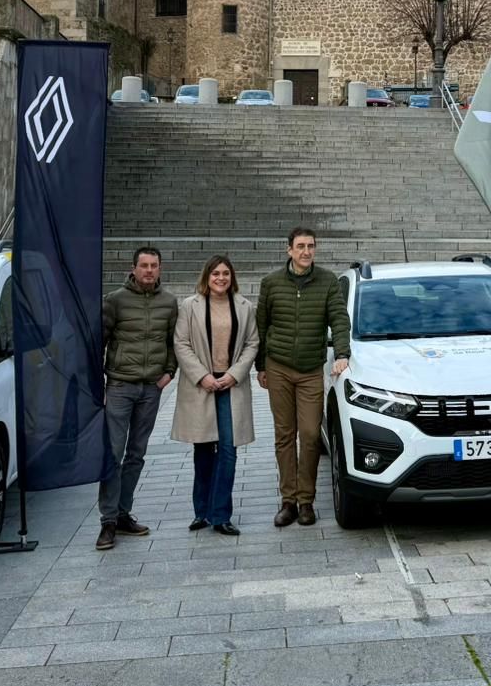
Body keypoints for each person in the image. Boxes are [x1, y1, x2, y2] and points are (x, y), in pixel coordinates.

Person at [255, 227, 351, 527]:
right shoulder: (271, 283)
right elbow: (262, 324)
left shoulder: (327, 281)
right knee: (285, 435)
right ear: (289, 250)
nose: (306, 251)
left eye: (310, 246)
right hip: (279, 367)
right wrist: (261, 366)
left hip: (310, 369)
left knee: (310, 435)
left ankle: (306, 500)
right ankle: (289, 501)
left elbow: (339, 317)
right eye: (300, 246)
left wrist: (343, 354)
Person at [96, 246, 177, 550]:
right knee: (113, 455)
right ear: (133, 268)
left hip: (150, 389)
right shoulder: (115, 301)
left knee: (136, 455)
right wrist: (100, 382)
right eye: (143, 265)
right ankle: (107, 521)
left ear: (160, 268)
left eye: (154, 265)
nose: (148, 271)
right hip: (119, 386)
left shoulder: (169, 302)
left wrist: (169, 371)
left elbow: (173, 342)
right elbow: (99, 342)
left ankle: (122, 513)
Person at [173, 255, 260, 536]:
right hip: (203, 384)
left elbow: (252, 343)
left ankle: (221, 514)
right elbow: (181, 343)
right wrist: (202, 376)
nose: (221, 278)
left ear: (232, 277)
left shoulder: (244, 307)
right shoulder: (190, 306)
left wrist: (235, 373)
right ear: (206, 277)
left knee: (228, 450)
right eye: (215, 274)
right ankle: (202, 512)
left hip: (231, 384)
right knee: (203, 450)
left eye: (225, 273)